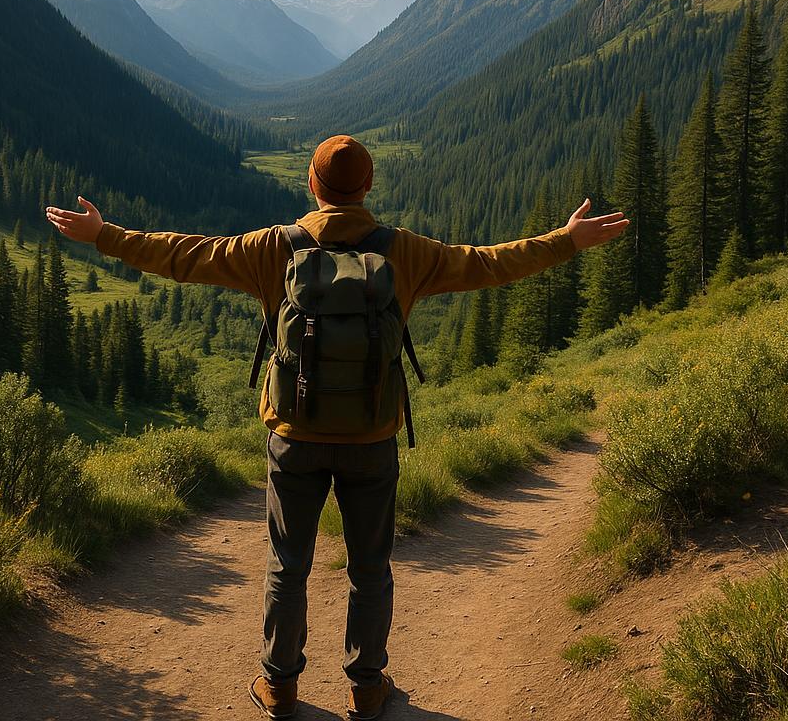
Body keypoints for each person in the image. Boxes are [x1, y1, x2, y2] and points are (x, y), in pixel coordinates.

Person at [46, 134, 628, 720]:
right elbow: (489, 263)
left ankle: (279, 685)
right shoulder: (405, 251)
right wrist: (566, 241)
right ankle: (367, 688)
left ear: (311, 184)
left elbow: (184, 255)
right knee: (369, 568)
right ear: (368, 187)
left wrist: (104, 235)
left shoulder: (273, 247)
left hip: (293, 437)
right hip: (372, 439)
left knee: (287, 565)